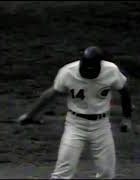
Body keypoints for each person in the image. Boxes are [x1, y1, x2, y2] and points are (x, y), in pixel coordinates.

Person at [17, 46, 133, 179]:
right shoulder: (68, 71)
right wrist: (30, 115)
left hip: (101, 126)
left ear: (99, 65)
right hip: (75, 125)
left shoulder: (111, 70)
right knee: (63, 172)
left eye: (92, 69)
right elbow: (50, 94)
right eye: (85, 68)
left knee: (107, 173)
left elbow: (124, 91)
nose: (88, 72)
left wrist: (127, 118)